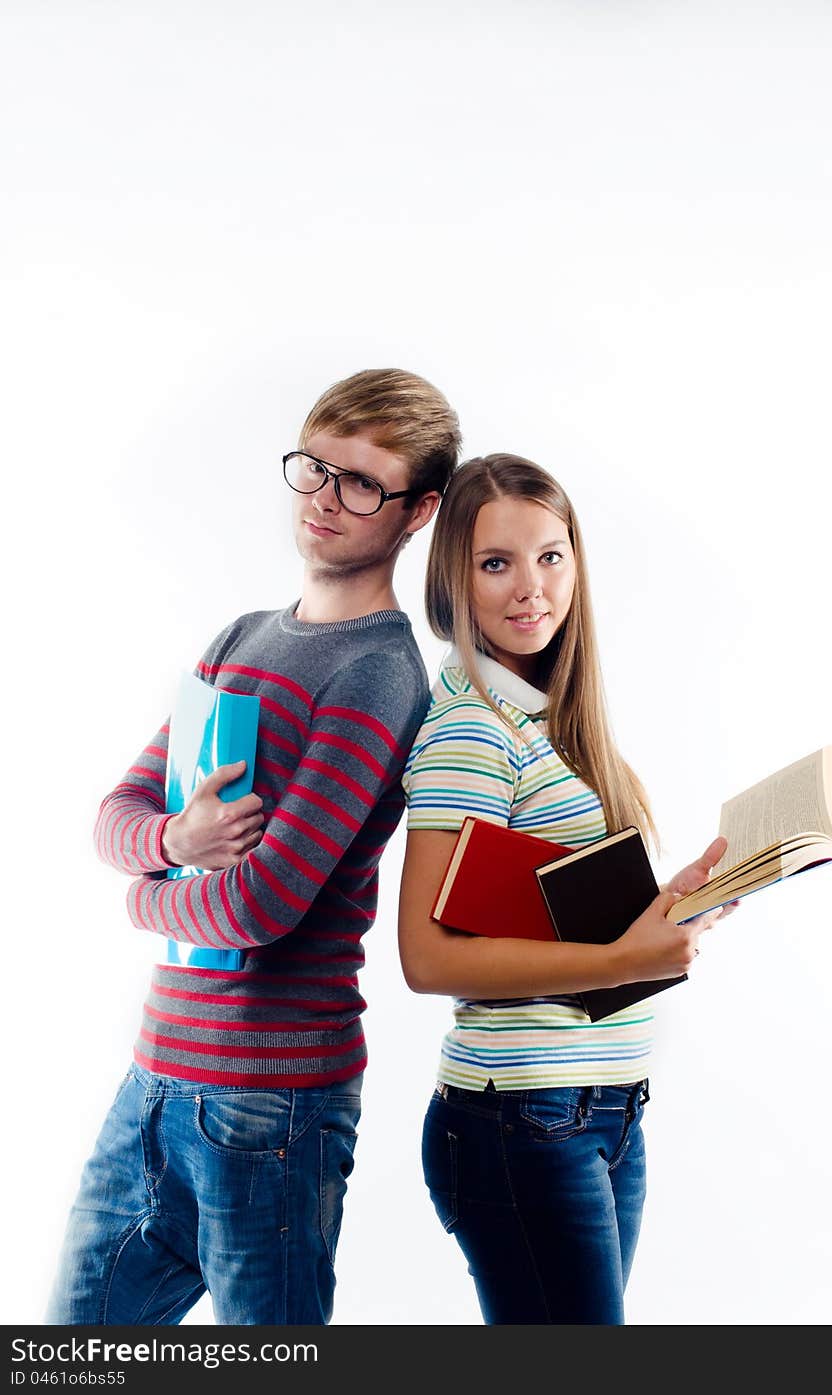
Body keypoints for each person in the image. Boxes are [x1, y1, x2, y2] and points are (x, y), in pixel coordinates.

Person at [47, 368, 461, 1326]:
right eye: (316, 468)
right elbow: (116, 811)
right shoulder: (241, 635)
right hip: (156, 1075)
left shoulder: (378, 675)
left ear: (419, 511)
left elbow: (261, 906)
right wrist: (174, 837)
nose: (324, 499)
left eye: (363, 483)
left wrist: (143, 895)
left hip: (273, 1104)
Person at [398, 453, 736, 1325]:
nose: (530, 588)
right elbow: (428, 958)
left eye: (551, 555)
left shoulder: (551, 716)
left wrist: (679, 901)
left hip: (601, 1112)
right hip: (524, 1121)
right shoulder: (474, 729)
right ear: (454, 580)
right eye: (496, 563)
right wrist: (621, 957)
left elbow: (542, 911)